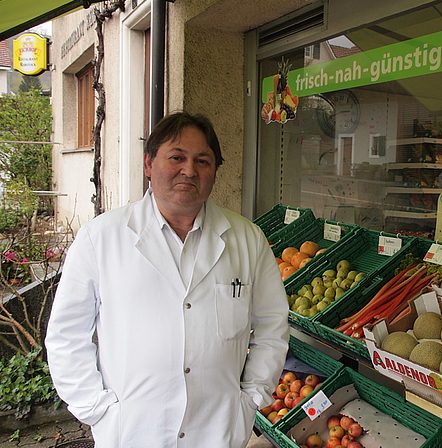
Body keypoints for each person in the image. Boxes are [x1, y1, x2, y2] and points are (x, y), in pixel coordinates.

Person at [45, 111, 290, 447]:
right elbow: (66, 336)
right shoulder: (100, 238)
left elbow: (272, 327)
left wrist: (251, 399)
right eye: (176, 157)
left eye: (202, 160)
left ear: (215, 171)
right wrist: (99, 410)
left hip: (218, 431)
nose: (189, 170)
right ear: (149, 164)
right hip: (131, 431)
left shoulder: (248, 240)